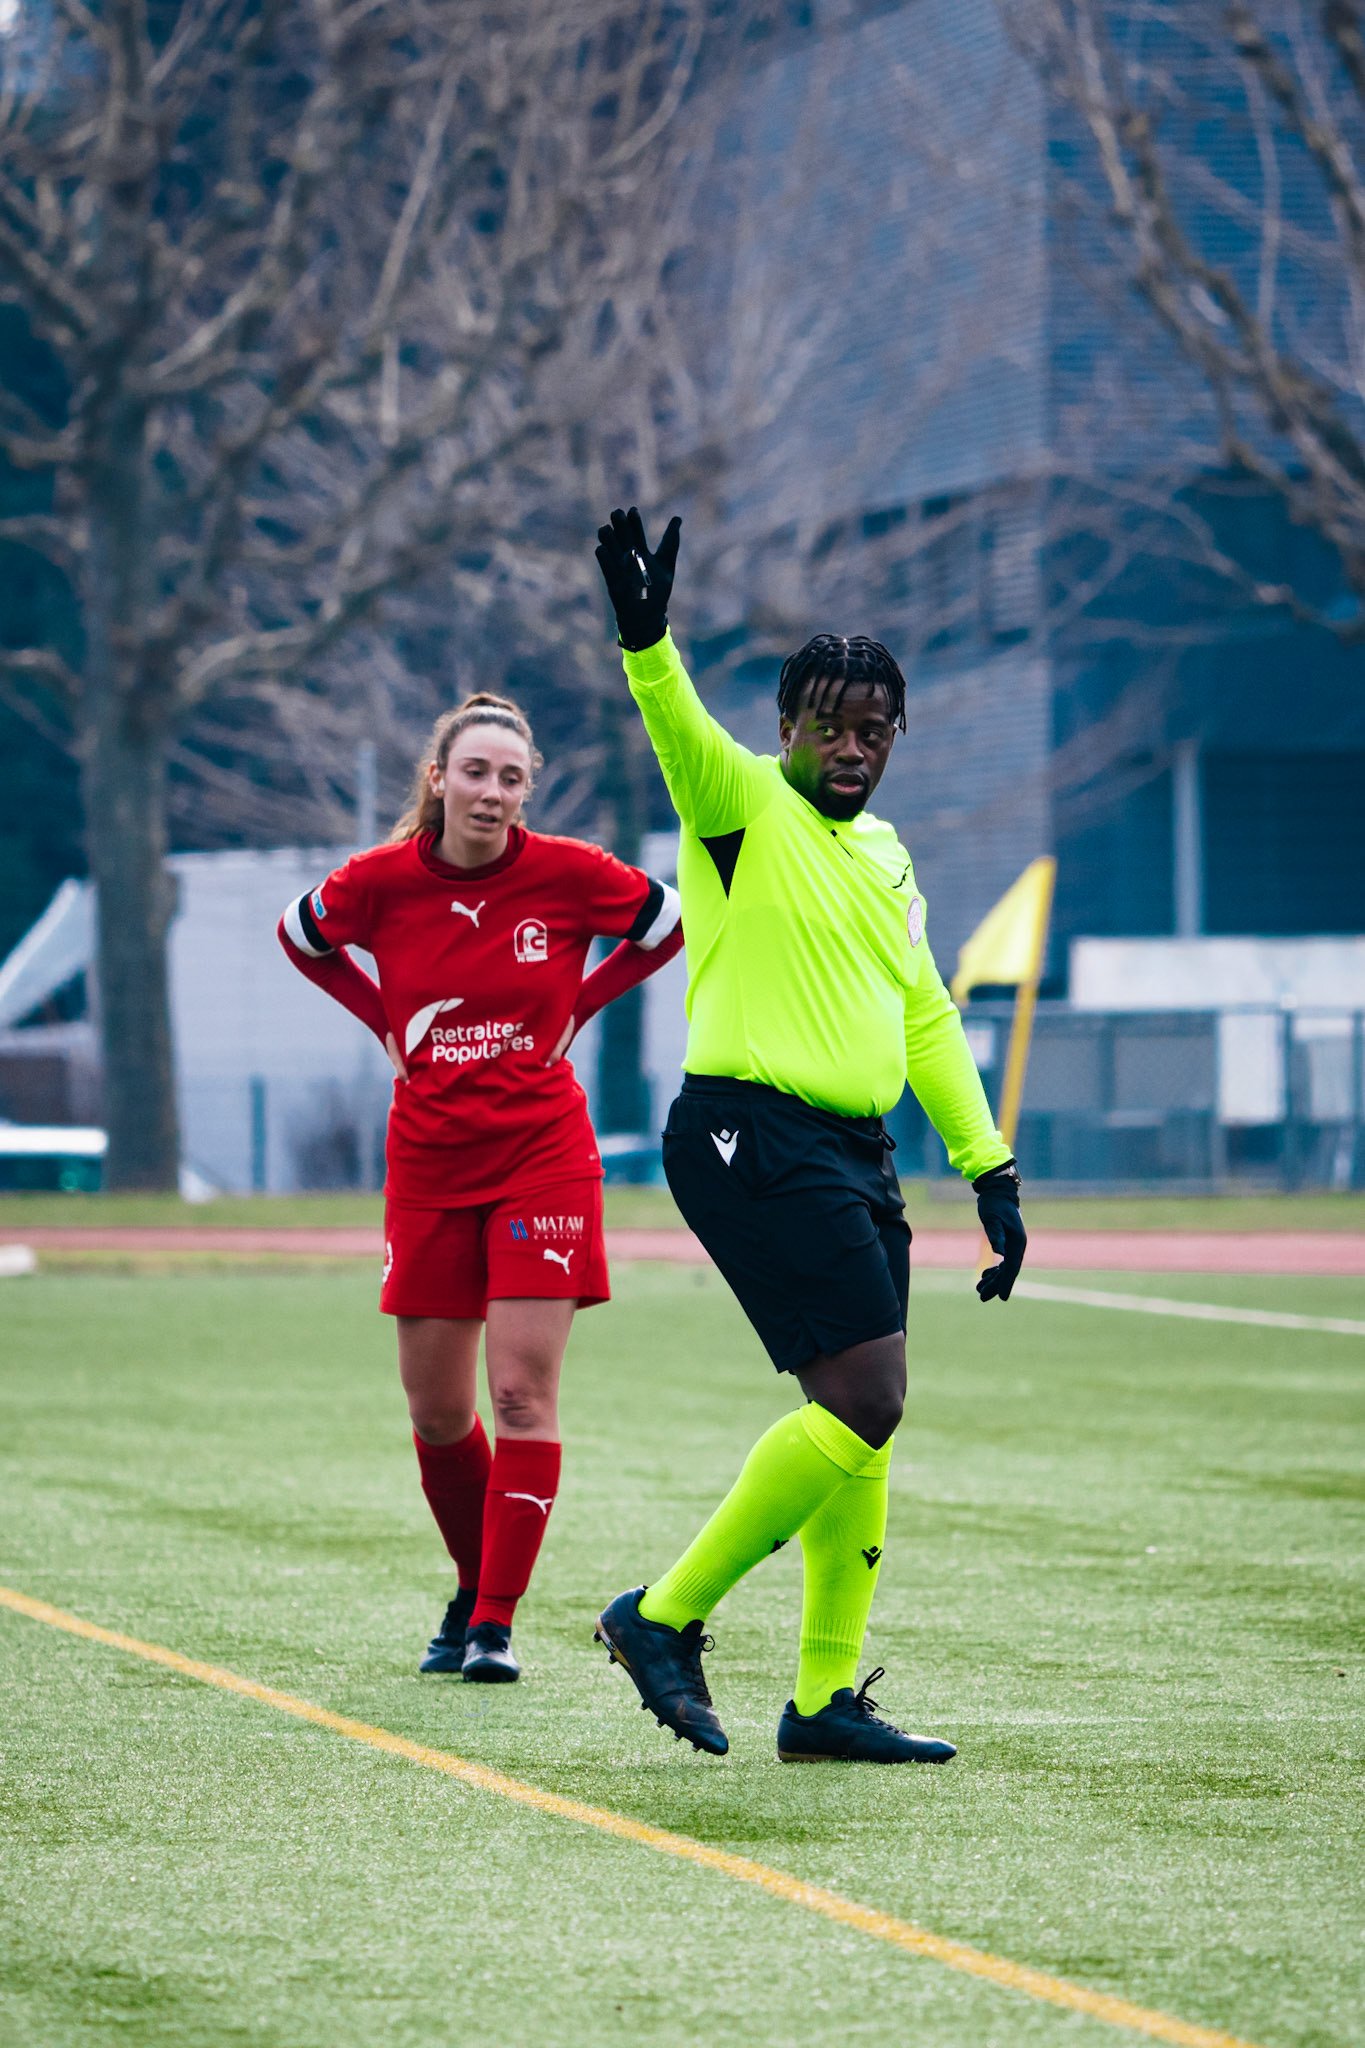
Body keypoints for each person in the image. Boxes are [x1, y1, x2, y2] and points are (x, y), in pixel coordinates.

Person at [591, 508, 1027, 1763]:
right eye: (827, 726)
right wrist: (645, 636)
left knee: (869, 1416)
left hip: (853, 1154)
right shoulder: (737, 807)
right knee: (867, 1395)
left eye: (872, 729)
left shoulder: (887, 854)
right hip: (745, 1132)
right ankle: (659, 1614)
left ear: (895, 738)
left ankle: (824, 1701)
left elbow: (927, 1014)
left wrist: (986, 1164)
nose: (849, 747)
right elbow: (675, 723)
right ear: (786, 730)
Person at [278, 691, 682, 1683]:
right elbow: (298, 936)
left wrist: (582, 1004)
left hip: (543, 1152)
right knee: (437, 1410)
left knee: (519, 1391)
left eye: (511, 777)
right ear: (438, 778)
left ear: (525, 789)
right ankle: (471, 1586)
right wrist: (381, 1018)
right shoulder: (378, 882)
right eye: (475, 772)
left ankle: (495, 1622)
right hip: (428, 1161)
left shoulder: (570, 873)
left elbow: (666, 925)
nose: (492, 792)